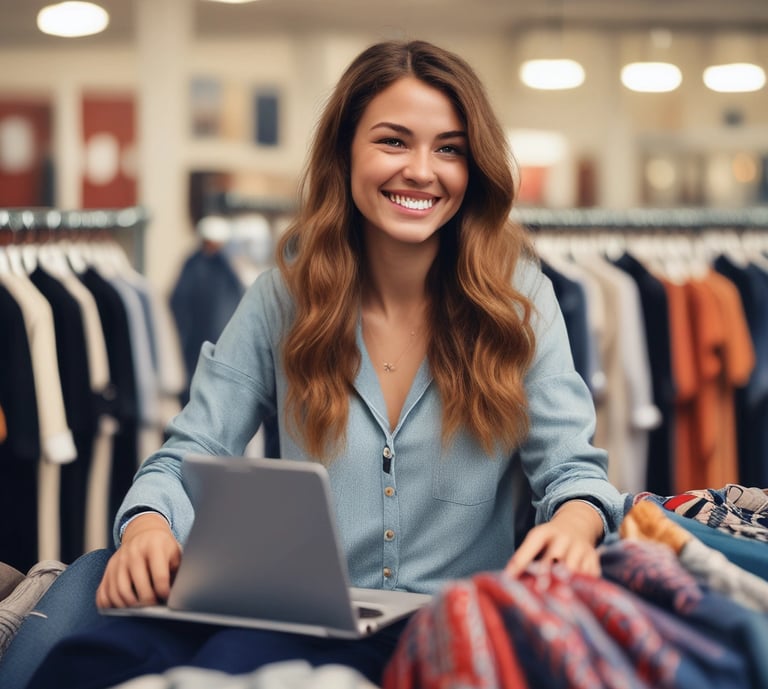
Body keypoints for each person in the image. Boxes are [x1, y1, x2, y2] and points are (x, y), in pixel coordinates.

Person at [10, 39, 624, 689]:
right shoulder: (284, 297)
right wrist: (150, 526)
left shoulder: (520, 298)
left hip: (452, 628)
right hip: (299, 617)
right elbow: (186, 453)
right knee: (88, 659)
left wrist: (574, 523)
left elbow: (574, 472)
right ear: (345, 152)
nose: (422, 170)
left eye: (449, 148)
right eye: (393, 141)